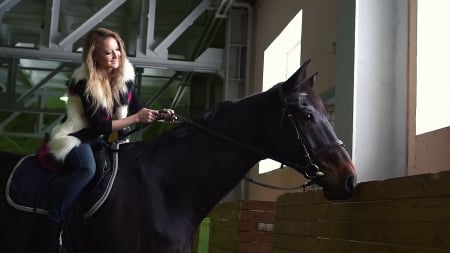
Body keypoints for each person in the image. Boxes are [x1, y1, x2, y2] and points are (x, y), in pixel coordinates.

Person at [38, 27, 175, 248]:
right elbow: (100, 125)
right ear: (95, 56)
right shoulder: (84, 81)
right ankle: (54, 219)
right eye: (108, 52)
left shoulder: (125, 76)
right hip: (78, 136)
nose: (116, 56)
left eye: (118, 50)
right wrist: (135, 119)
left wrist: (159, 114)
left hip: (101, 139)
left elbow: (137, 108)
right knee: (87, 169)